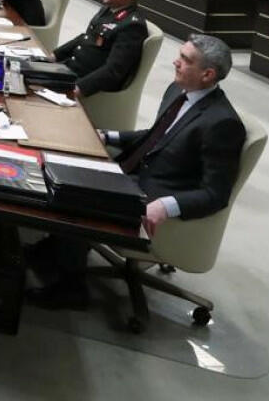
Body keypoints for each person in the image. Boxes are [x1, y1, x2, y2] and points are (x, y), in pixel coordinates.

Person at [26, 35, 246, 310]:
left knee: (78, 195)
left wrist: (165, 206)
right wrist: (108, 136)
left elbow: (216, 194)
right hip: (134, 171)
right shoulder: (178, 90)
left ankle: (72, 289)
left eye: (185, 59)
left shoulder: (222, 123)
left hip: (155, 194)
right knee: (66, 166)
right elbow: (159, 135)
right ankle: (53, 250)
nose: (175, 62)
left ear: (208, 74)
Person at [54, 0, 147, 97]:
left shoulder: (132, 26)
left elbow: (114, 70)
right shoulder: (108, 9)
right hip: (71, 70)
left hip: (86, 84)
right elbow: (85, 38)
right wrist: (54, 55)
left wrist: (78, 89)